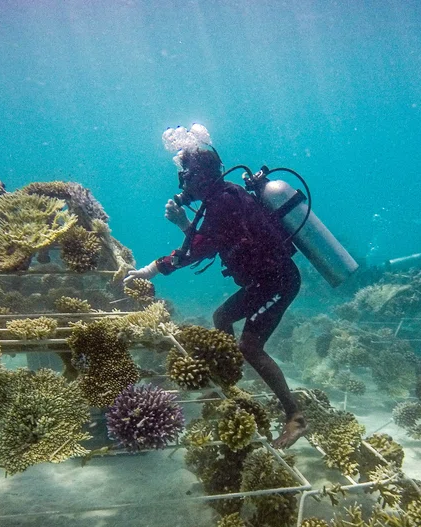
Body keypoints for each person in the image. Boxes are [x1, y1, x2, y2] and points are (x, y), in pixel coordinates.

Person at [124, 146, 308, 449]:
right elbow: (210, 241)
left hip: (278, 282)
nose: (184, 185)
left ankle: (296, 417)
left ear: (201, 176)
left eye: (186, 176)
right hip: (264, 281)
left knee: (250, 345)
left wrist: (152, 269)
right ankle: (230, 380)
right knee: (221, 317)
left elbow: (199, 248)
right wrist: (185, 227)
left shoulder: (223, 201)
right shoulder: (222, 197)